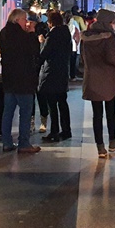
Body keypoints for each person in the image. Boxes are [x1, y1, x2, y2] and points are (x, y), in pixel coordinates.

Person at [81, 9, 115, 158]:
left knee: (96, 114)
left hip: (92, 78)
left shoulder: (85, 38)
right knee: (110, 111)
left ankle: (100, 147)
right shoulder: (108, 38)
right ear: (107, 23)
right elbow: (112, 58)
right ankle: (112, 140)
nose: (114, 25)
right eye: (113, 22)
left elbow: (82, 59)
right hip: (107, 78)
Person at [0, 8, 41, 154]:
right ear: (17, 20)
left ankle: (6, 142)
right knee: (25, 112)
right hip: (24, 80)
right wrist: (32, 34)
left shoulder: (4, 33)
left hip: (9, 79)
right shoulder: (23, 36)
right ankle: (24, 143)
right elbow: (35, 51)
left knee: (8, 112)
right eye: (25, 20)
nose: (27, 22)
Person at [38, 11, 72, 142]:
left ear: (50, 22)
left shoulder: (52, 35)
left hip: (51, 73)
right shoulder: (65, 33)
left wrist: (42, 42)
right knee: (62, 103)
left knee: (52, 104)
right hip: (62, 72)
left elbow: (44, 54)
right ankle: (66, 130)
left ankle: (54, 132)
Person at [69, 7, 86, 79]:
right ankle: (74, 72)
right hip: (76, 39)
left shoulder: (69, 18)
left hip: (69, 40)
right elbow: (84, 29)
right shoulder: (79, 19)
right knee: (76, 56)